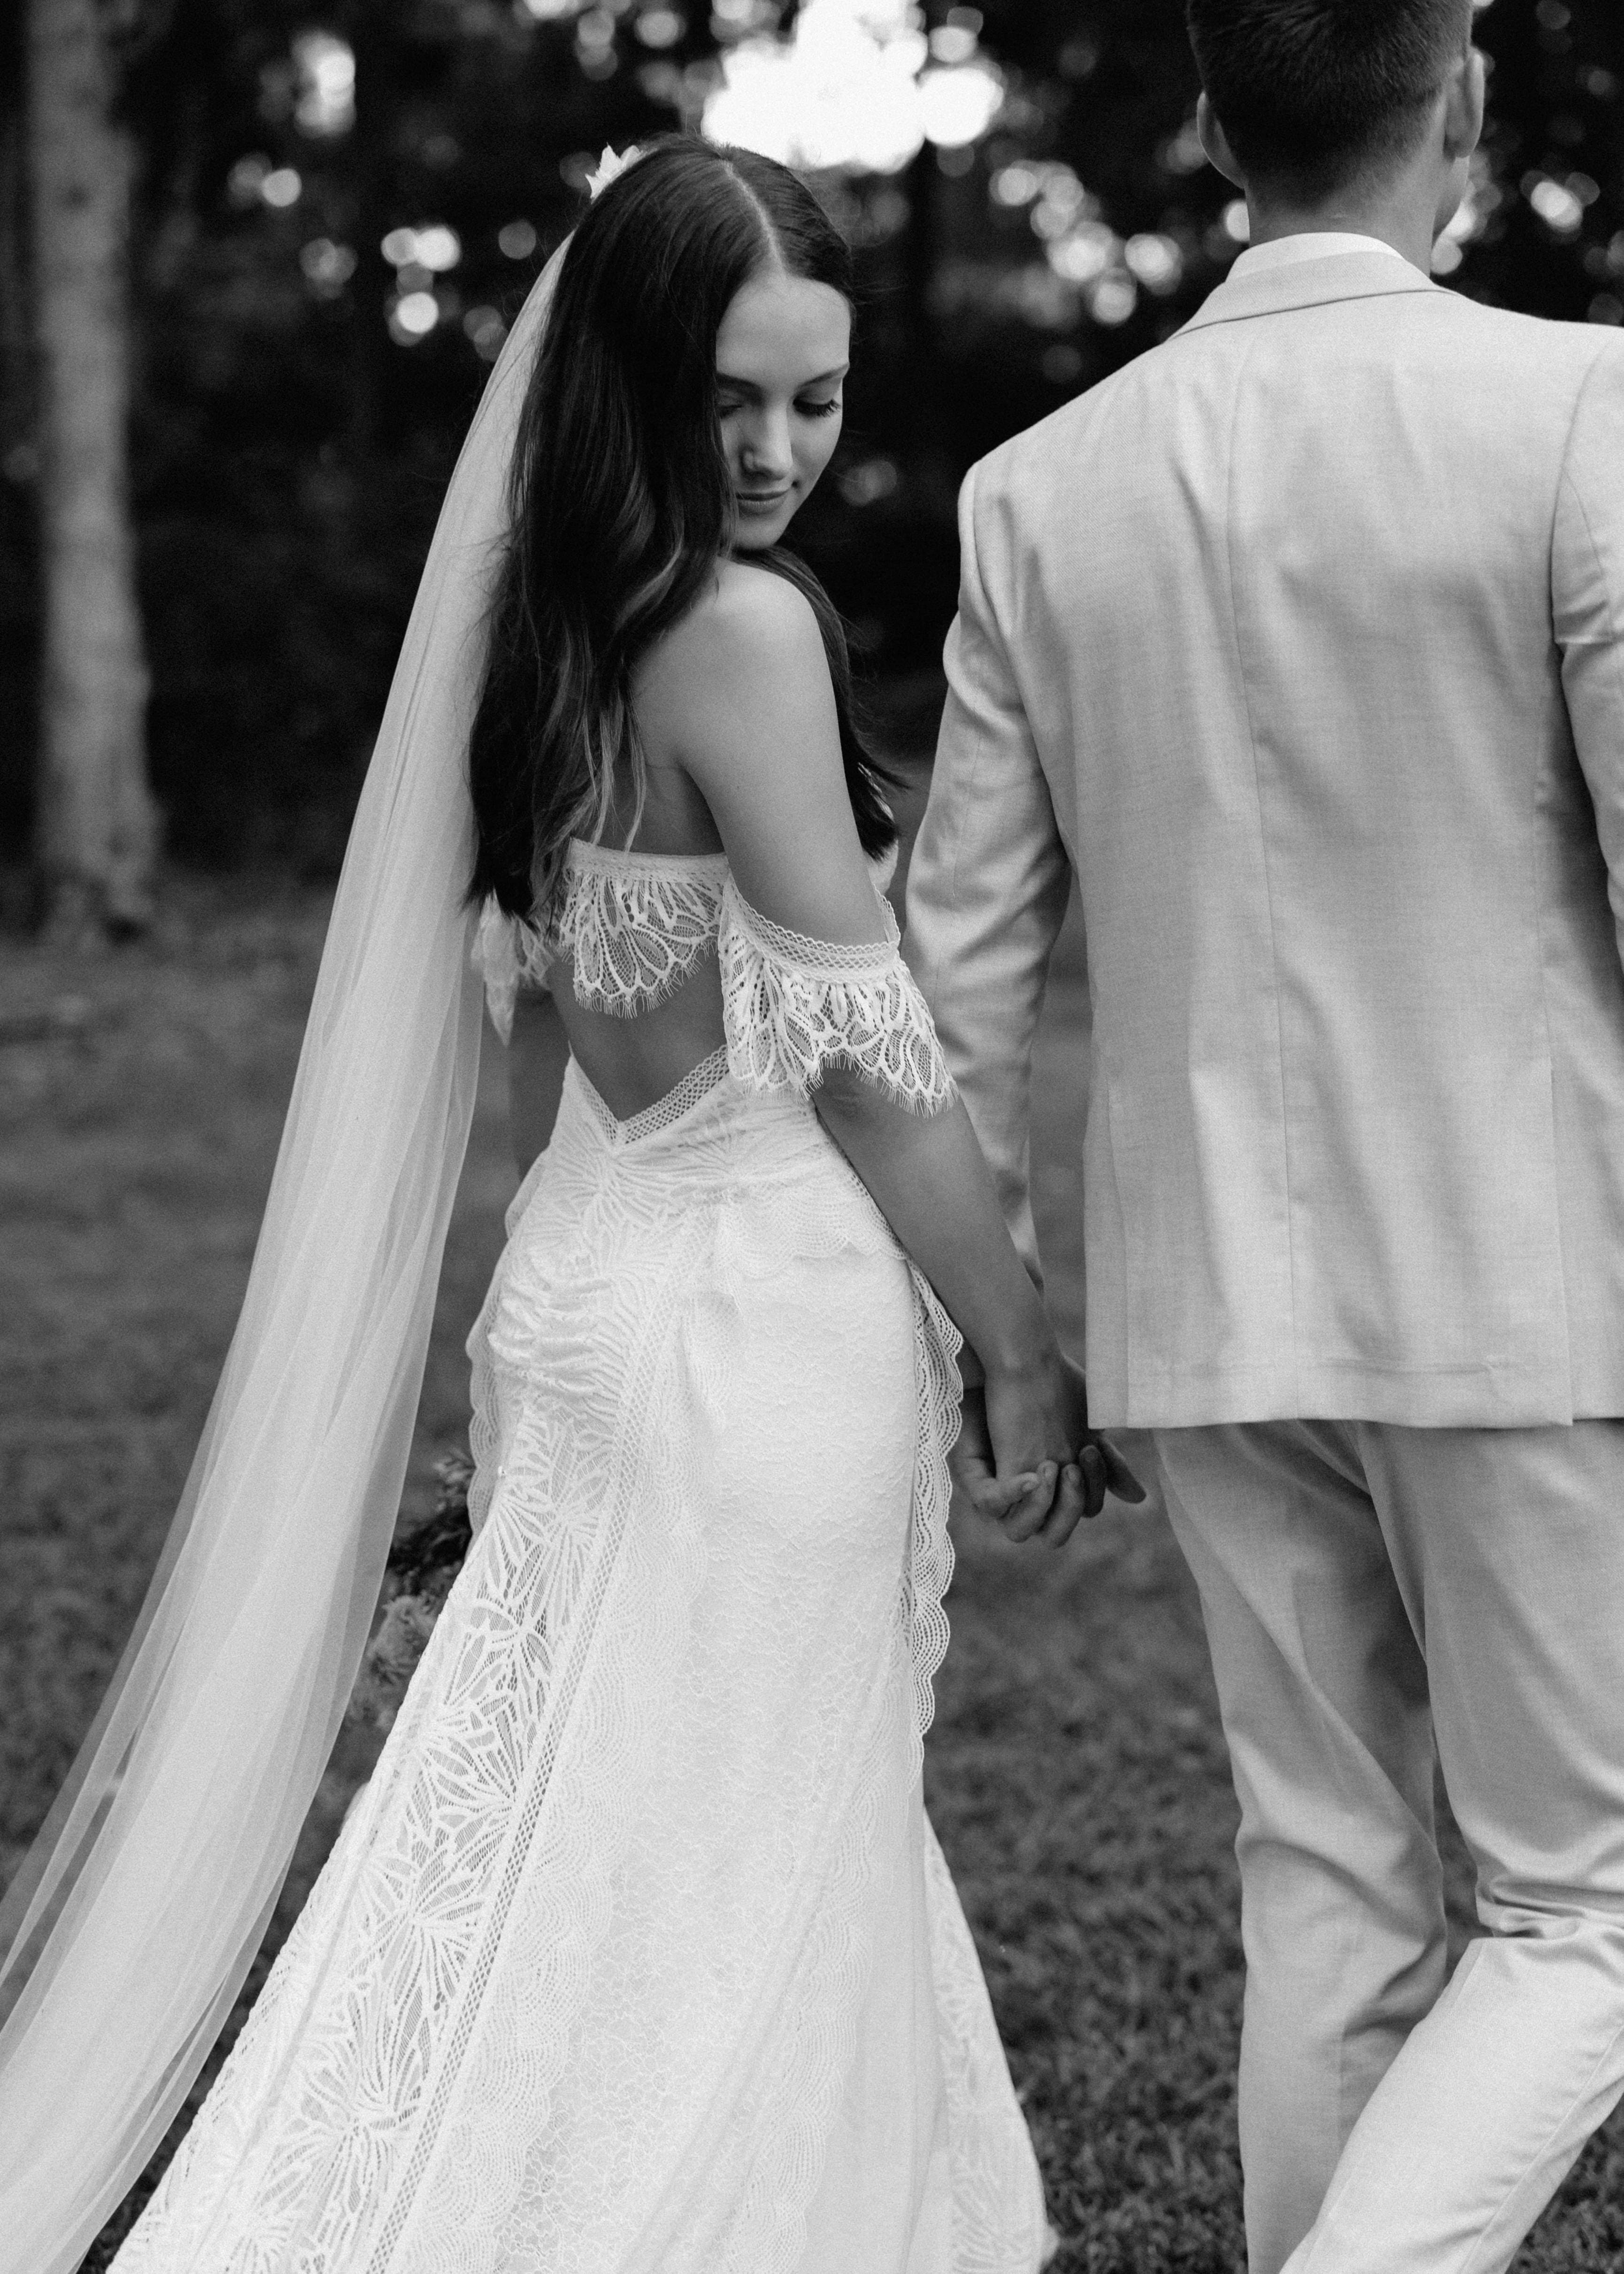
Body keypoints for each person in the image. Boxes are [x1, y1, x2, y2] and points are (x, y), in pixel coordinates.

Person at [0, 135, 1156, 2273]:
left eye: (815, 399)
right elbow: (860, 1055)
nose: (780, 450)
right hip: (748, 1336)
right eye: (731, 396)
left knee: (577, 1863)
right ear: (629, 372)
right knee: (722, 1873)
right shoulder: (738, 635)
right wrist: (1018, 1345)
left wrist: (496, 1360)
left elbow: (578, 1033)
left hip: (585, 1296)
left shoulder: (528, 623)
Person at [906, 2, 1624, 2268]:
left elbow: (956, 968)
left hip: (1202, 1305)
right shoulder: (1578, 408)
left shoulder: (1041, 487)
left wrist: (1004, 1317)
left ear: (1211, 128)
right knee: (1589, 1909)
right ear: (1466, 104)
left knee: (1328, 1888)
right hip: (1530, 1280)